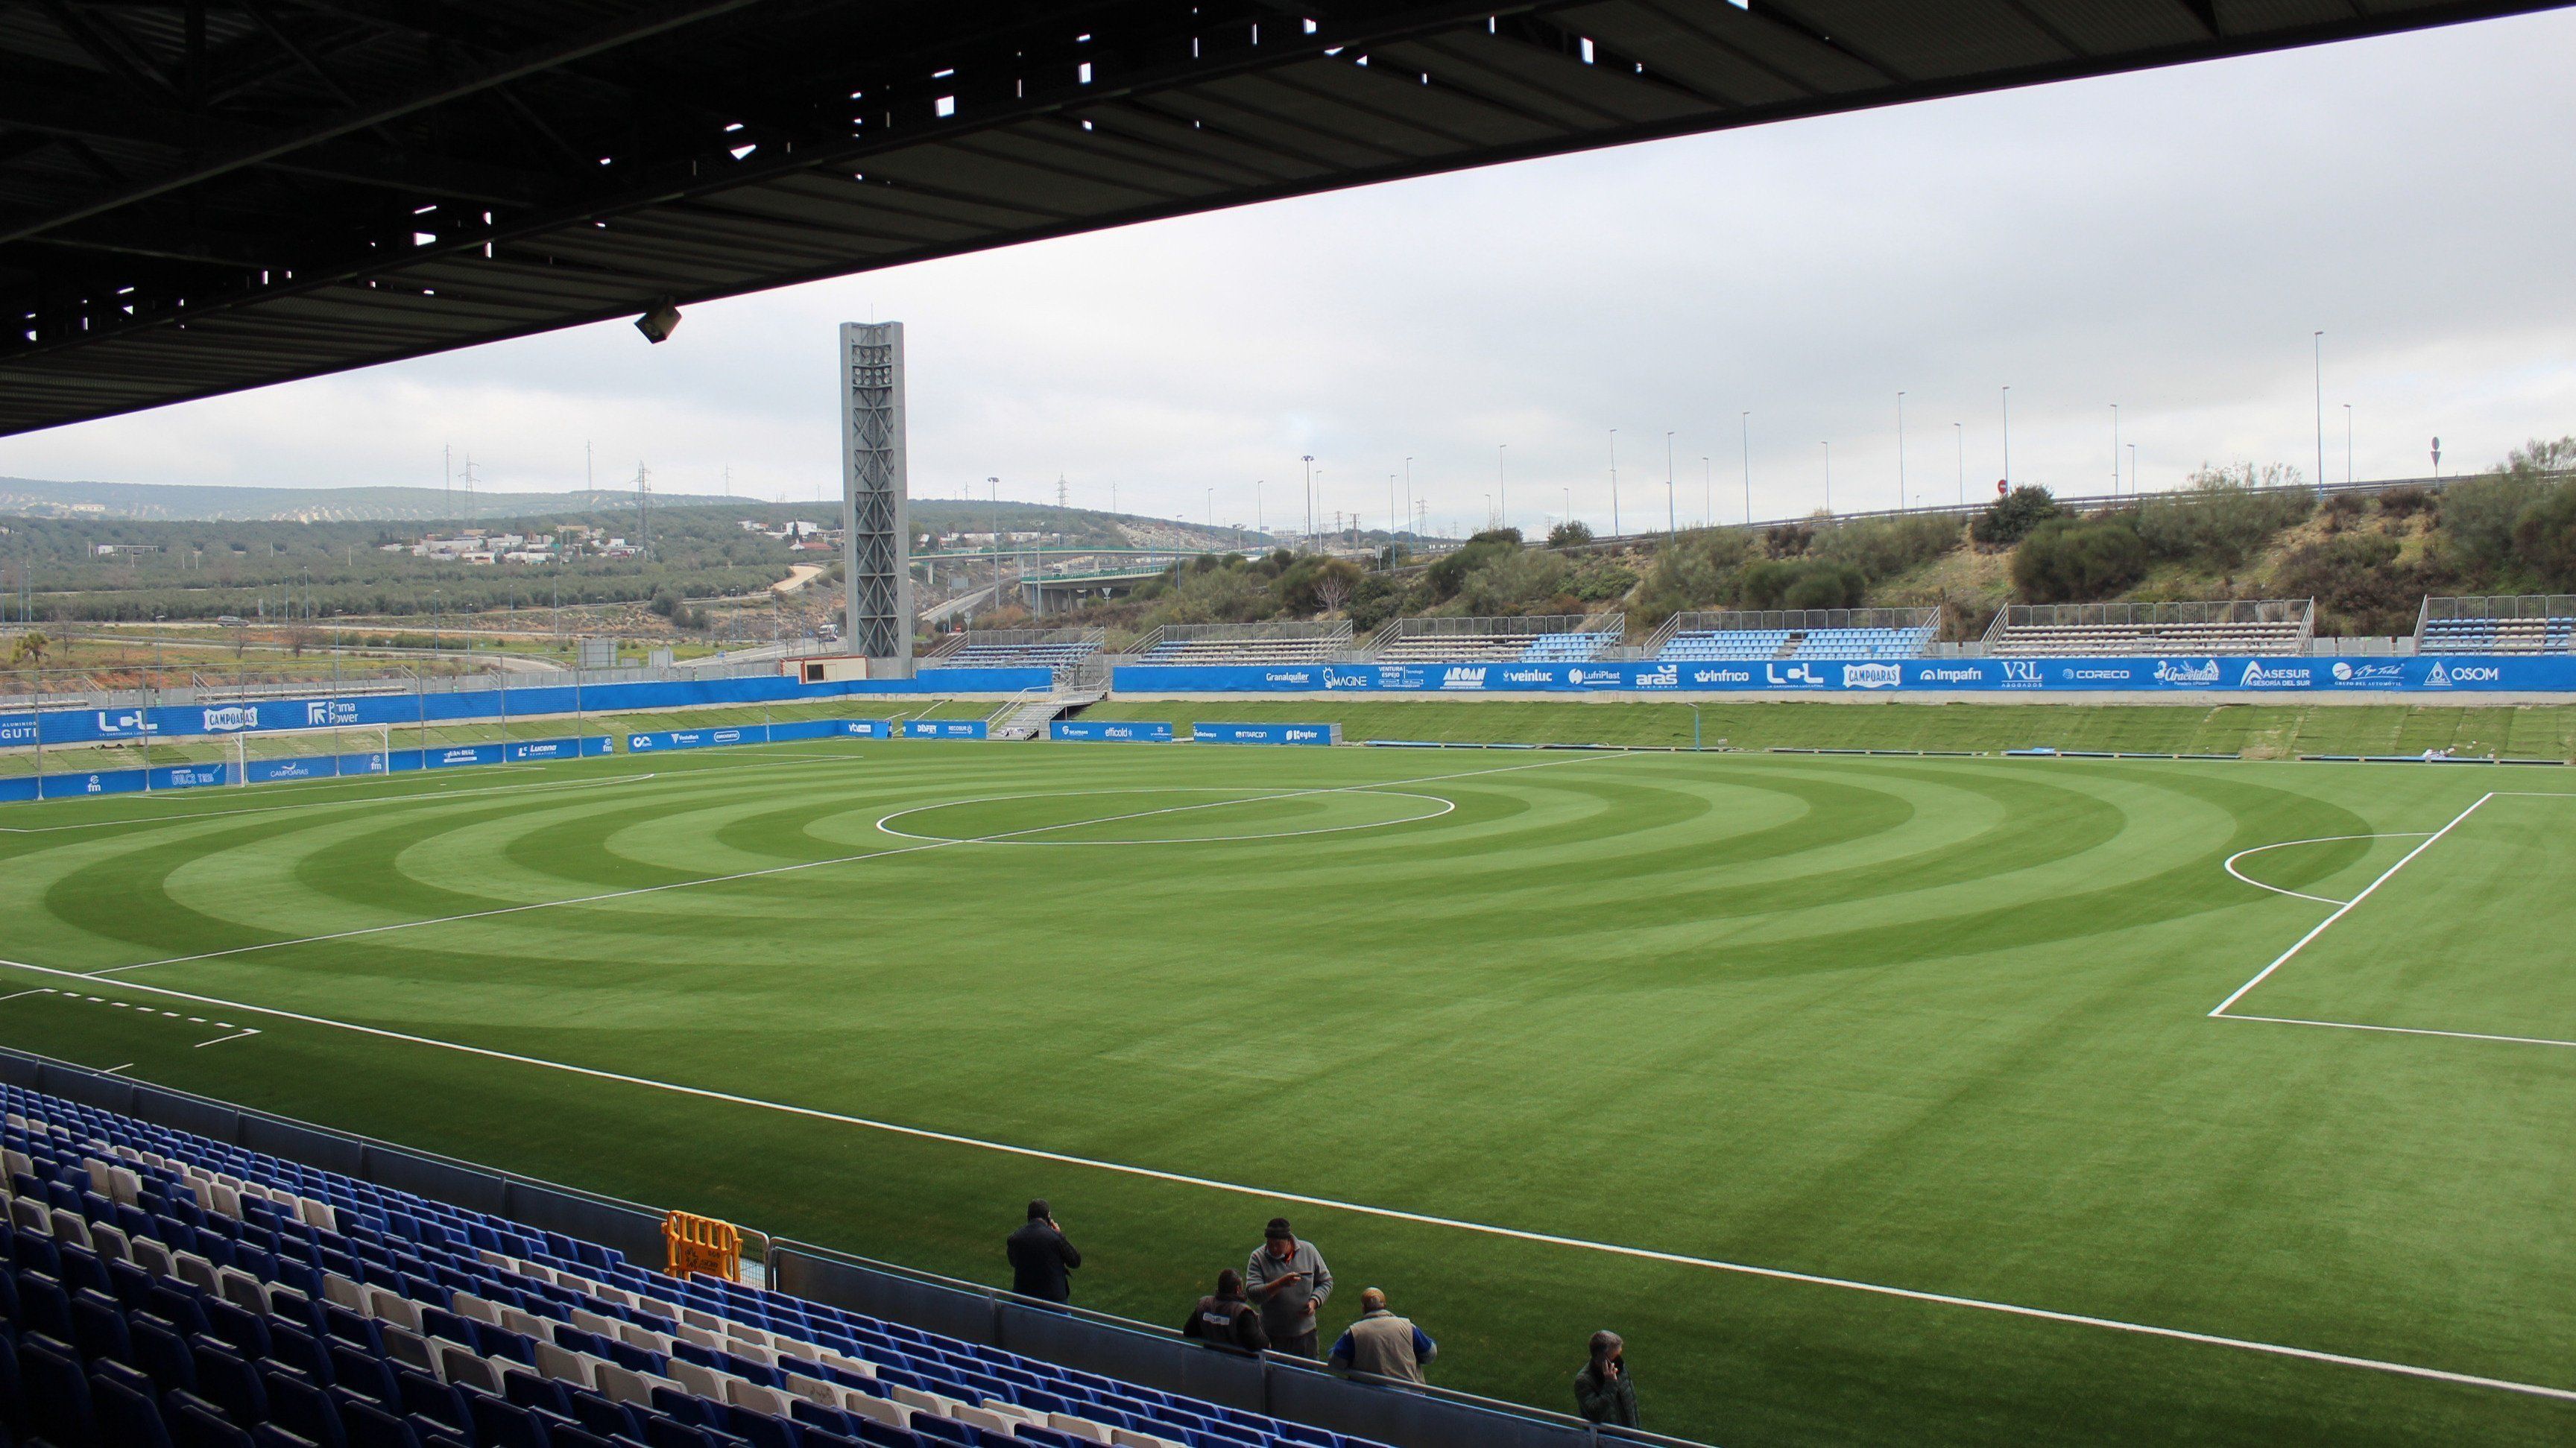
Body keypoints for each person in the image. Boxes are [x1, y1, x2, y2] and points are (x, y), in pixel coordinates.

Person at [1243, 1217, 1333, 1357]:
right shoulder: (1258, 1257)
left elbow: (1326, 1282)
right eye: (1269, 1244)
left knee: (1308, 1377)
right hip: (1272, 1335)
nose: (1272, 1248)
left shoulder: (1309, 1251)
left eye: (1277, 1244)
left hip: (1306, 1335)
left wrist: (1314, 1302)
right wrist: (1280, 1284)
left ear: (1288, 1240)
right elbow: (1253, 1294)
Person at [1328, 1287, 1436, 1385]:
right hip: (1409, 1396)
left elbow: (1336, 1363)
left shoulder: (1354, 1332)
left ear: (1363, 1309)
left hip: (1369, 1398)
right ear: (1385, 1306)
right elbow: (1430, 1354)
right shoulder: (1408, 1327)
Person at [1005, 1198, 1080, 1304]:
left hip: (1022, 1300)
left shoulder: (1015, 1238)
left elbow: (1013, 1262)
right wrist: (1059, 1234)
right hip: (1054, 1303)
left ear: (1028, 1216)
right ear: (1048, 1217)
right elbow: (1075, 1261)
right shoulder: (1055, 1238)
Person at [1179, 1268, 1270, 1354]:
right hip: (1240, 1365)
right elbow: (1254, 1343)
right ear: (1238, 1289)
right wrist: (1267, 1342)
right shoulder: (1242, 1313)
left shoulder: (1204, 1305)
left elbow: (1189, 1331)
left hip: (1211, 1361)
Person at [1574, 1330, 1638, 1429]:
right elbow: (1596, 1415)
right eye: (1614, 1358)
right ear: (1601, 1359)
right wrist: (1610, 1384)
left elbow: (1632, 1404)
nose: (1618, 1362)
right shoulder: (1583, 1381)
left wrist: (1637, 1431)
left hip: (1631, 1436)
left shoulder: (1620, 1368)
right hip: (1605, 1441)